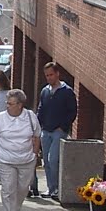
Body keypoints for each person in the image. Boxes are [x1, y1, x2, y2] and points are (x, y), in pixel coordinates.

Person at [0, 89, 41, 211]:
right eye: (7, 103)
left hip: (26, 159)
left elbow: (36, 135)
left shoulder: (30, 116)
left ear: (20, 105)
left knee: (23, 188)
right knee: (8, 188)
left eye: (11, 103)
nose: (8, 106)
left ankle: (16, 208)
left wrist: (35, 153)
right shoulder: (0, 118)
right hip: (5, 160)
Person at [37, 62, 77, 199]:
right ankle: (51, 188)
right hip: (45, 131)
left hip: (58, 131)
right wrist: (39, 125)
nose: (49, 78)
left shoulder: (67, 91)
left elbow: (72, 111)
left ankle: (59, 188)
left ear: (57, 74)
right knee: (46, 161)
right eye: (47, 75)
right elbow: (41, 109)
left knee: (53, 159)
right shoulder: (45, 91)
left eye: (51, 75)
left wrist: (63, 126)